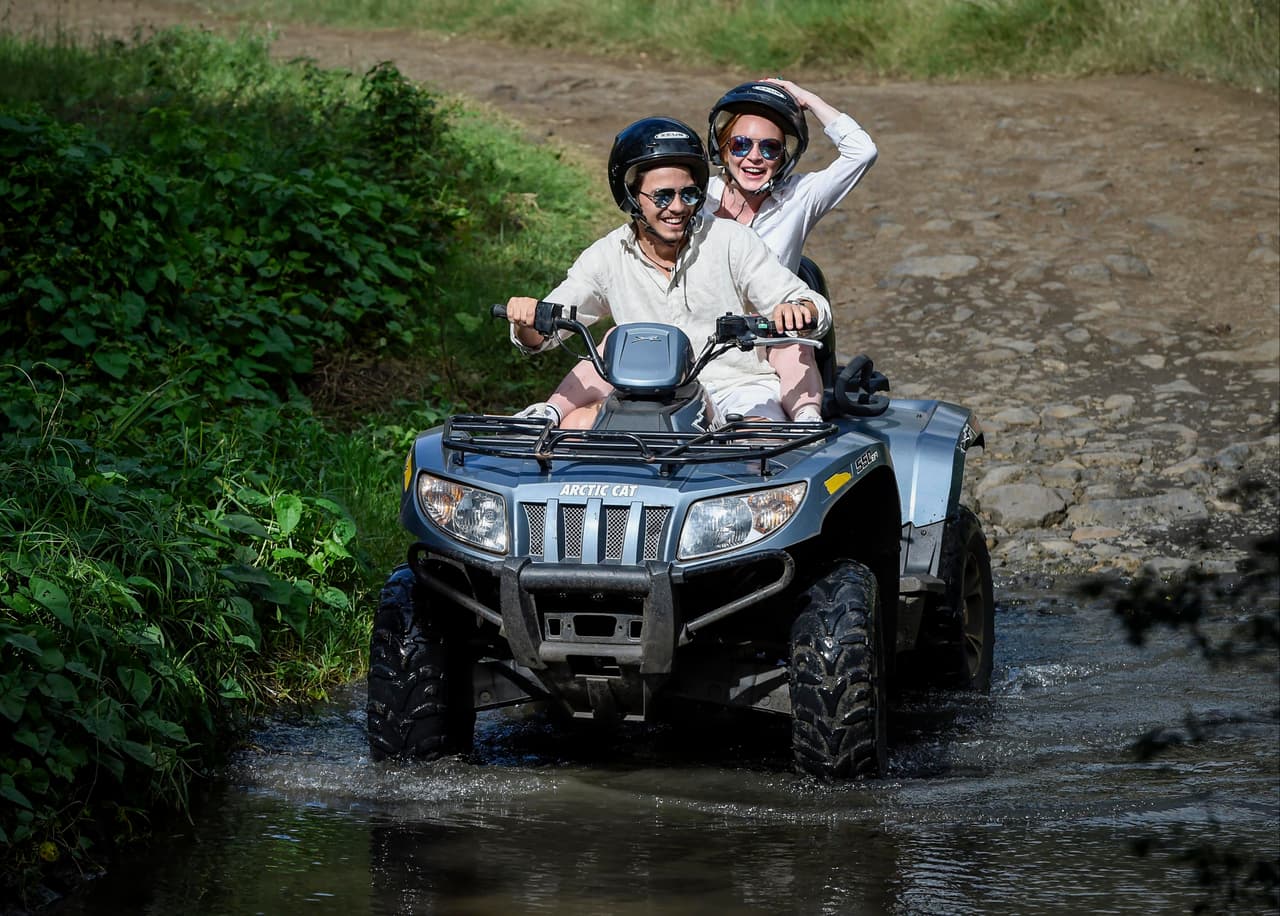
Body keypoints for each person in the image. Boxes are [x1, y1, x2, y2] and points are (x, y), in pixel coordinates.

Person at [504, 116, 829, 429]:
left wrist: (800, 310)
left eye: (688, 194)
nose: (677, 207)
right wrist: (527, 320)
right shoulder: (606, 255)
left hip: (738, 390)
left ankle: (797, 435)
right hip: (643, 398)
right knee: (576, 422)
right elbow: (546, 331)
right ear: (632, 197)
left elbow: (807, 304)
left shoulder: (733, 241)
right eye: (662, 196)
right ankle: (546, 418)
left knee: (757, 443)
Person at [705, 78, 878, 423]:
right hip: (705, 333)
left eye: (769, 148)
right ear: (722, 149)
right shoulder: (697, 198)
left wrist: (804, 98)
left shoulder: (799, 198)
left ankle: (806, 426)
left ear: (785, 156)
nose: (754, 157)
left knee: (794, 343)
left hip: (771, 337)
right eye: (740, 145)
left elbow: (862, 152)